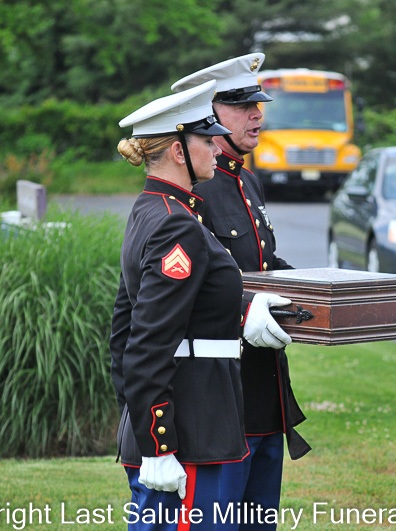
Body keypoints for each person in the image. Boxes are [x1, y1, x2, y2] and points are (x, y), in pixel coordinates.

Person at [110, 80, 292, 531]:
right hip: (192, 431)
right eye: (206, 140)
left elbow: (123, 326)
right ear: (178, 151)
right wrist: (158, 444)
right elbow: (146, 343)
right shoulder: (177, 225)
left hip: (194, 423)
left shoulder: (154, 209)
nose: (216, 148)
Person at [170, 53, 310, 528]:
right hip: (220, 394)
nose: (257, 115)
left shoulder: (247, 179)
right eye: (242, 106)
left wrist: (321, 290)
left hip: (263, 389)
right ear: (208, 114)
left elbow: (264, 265)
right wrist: (248, 308)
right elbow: (191, 287)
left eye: (258, 105)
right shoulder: (196, 188)